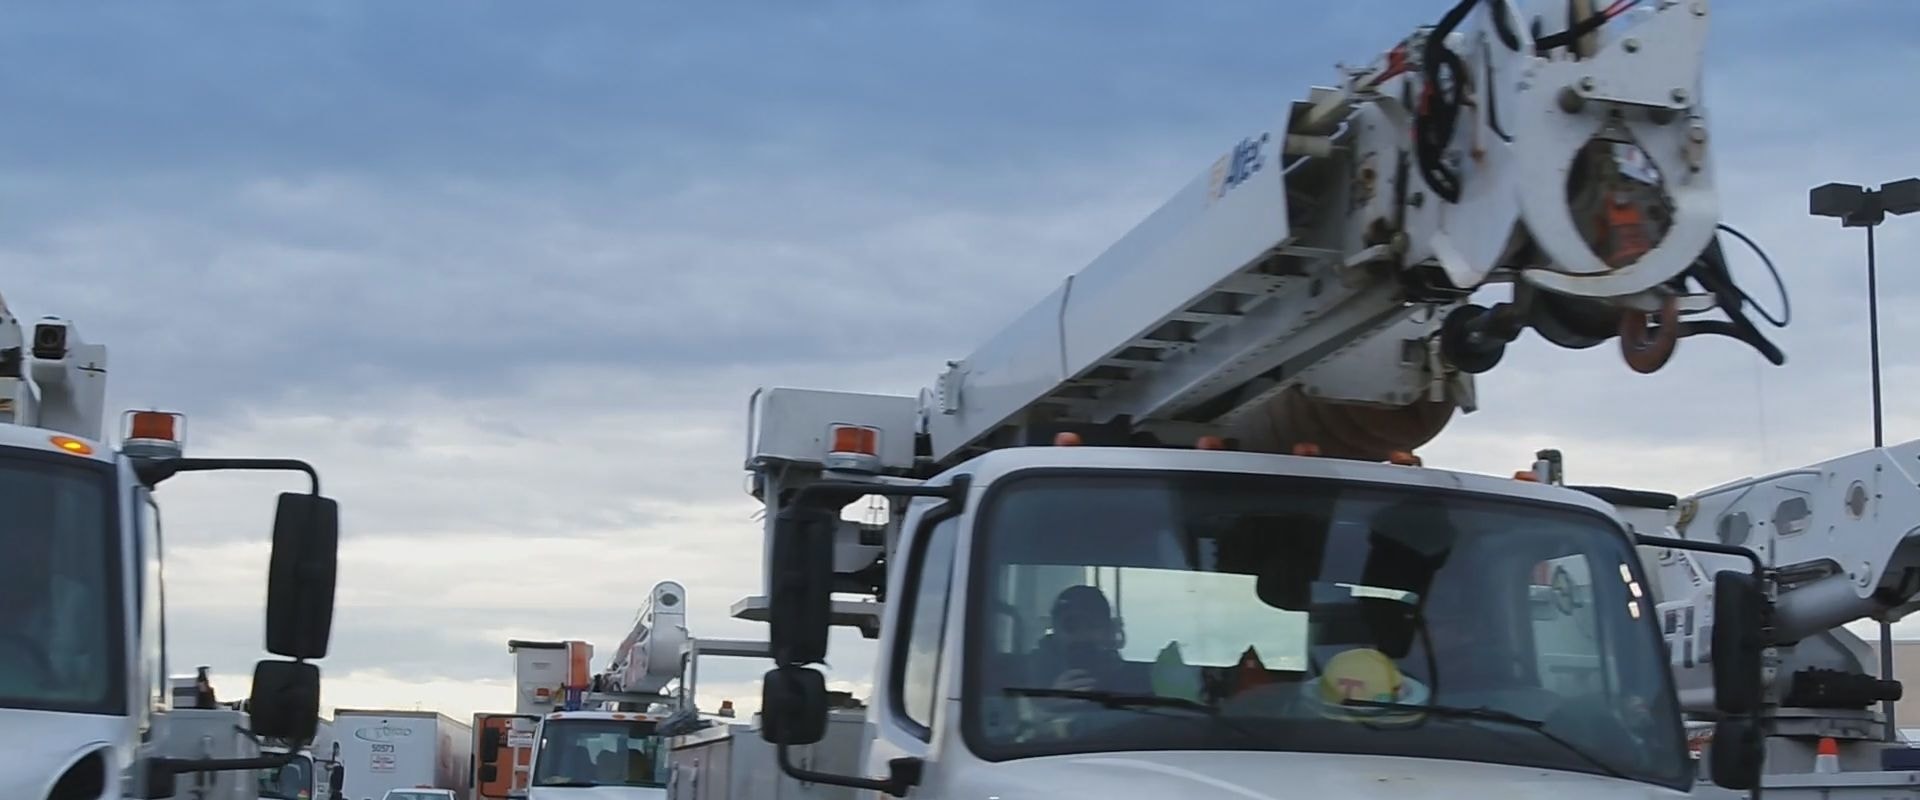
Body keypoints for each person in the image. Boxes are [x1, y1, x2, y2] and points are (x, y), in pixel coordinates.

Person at [1026, 585, 1148, 695]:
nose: (1082, 635)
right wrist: (1047, 704)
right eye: (1071, 626)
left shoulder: (1137, 680)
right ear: (1055, 628)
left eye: (1093, 625)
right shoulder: (1024, 673)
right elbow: (1014, 713)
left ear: (1109, 630)